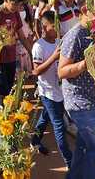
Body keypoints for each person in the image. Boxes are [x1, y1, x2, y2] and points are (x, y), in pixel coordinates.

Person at [58, 8, 95, 179]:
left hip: (94, 101)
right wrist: (87, 63)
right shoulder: (75, 35)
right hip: (79, 102)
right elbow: (62, 71)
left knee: (84, 148)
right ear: (84, 10)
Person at [31, 11, 72, 168]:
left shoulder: (58, 42)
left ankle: (35, 140)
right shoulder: (38, 46)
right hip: (48, 92)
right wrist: (53, 58)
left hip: (59, 90)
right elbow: (36, 71)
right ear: (44, 27)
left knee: (45, 117)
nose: (57, 28)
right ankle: (69, 160)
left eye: (58, 25)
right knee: (59, 126)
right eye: (53, 26)